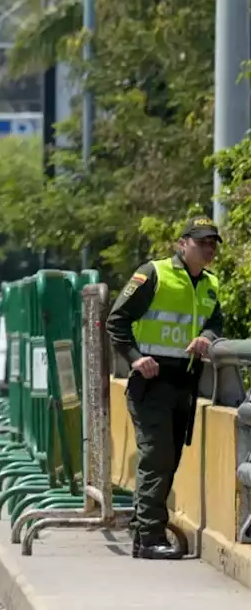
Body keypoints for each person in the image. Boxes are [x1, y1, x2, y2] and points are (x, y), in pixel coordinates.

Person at [106, 216, 224, 560]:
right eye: (202, 242)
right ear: (182, 244)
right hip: (151, 382)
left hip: (184, 384)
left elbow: (215, 322)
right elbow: (117, 319)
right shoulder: (154, 274)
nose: (209, 249)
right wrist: (134, 358)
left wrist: (207, 337)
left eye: (213, 243)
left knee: (168, 461)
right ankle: (148, 537)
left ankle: (146, 530)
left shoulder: (211, 284)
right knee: (156, 458)